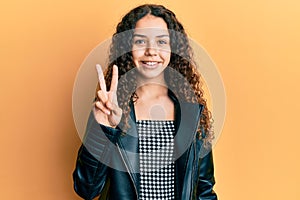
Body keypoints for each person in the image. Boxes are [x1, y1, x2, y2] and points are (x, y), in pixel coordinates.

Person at [73, 4, 217, 200]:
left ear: (172, 49)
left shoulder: (192, 112)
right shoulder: (110, 109)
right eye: (140, 41)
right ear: (127, 49)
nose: (151, 51)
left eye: (161, 42)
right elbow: (86, 189)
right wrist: (105, 129)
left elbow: (205, 192)